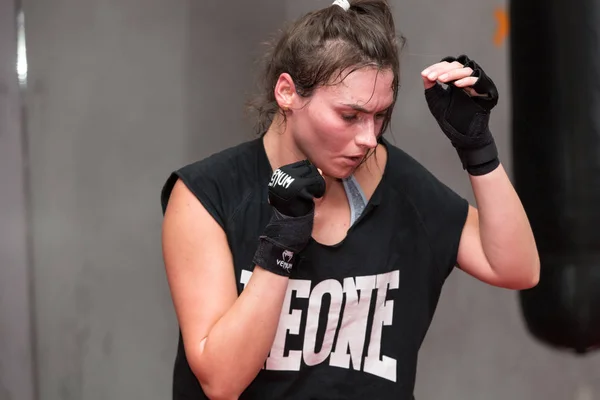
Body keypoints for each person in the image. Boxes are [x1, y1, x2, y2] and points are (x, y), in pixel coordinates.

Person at [160, 0, 540, 398]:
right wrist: (281, 244)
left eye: (380, 116)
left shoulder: (394, 182)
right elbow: (221, 381)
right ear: (287, 92)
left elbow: (518, 268)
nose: (368, 138)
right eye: (350, 116)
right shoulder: (209, 194)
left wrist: (478, 149)